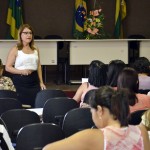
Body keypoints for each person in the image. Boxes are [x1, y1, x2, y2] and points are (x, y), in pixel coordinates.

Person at [43, 86, 150, 150]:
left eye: (92, 111)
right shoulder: (141, 131)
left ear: (99, 110)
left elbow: (48, 149)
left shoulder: (95, 136)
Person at [5, 24, 46, 107]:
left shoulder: (35, 48)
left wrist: (41, 82)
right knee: (23, 106)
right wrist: (22, 71)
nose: (29, 35)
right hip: (20, 81)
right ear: (20, 35)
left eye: (30, 33)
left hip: (34, 81)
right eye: (26, 33)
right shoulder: (16, 49)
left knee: (36, 104)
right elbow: (7, 67)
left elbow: (38, 66)